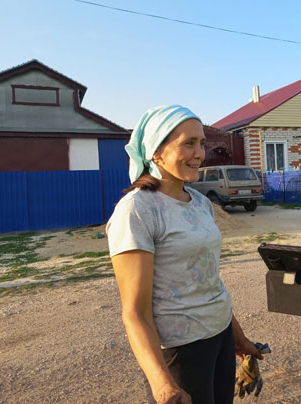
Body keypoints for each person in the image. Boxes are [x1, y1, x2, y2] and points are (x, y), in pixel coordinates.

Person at [106, 105, 262, 404]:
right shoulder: (138, 210)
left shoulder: (200, 203)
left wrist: (238, 338)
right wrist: (162, 384)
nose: (200, 153)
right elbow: (135, 313)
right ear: (156, 152)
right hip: (181, 350)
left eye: (202, 143)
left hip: (220, 336)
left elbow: (208, 282)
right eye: (188, 143)